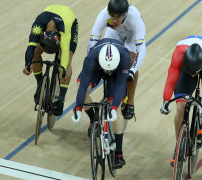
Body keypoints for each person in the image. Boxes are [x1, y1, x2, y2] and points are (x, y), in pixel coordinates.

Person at [160, 35, 202, 167]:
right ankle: (179, 147)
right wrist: (165, 100)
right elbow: (171, 80)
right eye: (191, 73)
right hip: (187, 62)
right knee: (181, 106)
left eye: (195, 73)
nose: (194, 76)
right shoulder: (179, 53)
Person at [84, 0, 146, 124]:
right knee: (104, 54)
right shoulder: (104, 15)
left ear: (125, 15)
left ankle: (130, 102)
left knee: (130, 60)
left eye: (118, 18)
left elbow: (141, 49)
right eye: (112, 17)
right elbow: (93, 40)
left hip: (131, 36)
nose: (114, 20)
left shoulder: (134, 17)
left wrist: (132, 71)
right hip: (114, 32)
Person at [72, 38, 130, 168]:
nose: (108, 73)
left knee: (117, 108)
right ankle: (93, 120)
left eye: (110, 70)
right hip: (97, 69)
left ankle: (119, 153)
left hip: (117, 73)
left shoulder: (125, 57)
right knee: (81, 89)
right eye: (107, 70)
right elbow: (82, 86)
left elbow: (121, 86)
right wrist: (78, 109)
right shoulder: (90, 58)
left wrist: (114, 108)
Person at [23, 4, 78, 116]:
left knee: (67, 57)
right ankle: (40, 86)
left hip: (69, 24)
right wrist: (27, 65)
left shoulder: (64, 27)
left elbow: (66, 50)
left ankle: (61, 99)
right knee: (36, 52)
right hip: (48, 16)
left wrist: (62, 69)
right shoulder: (38, 26)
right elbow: (30, 47)